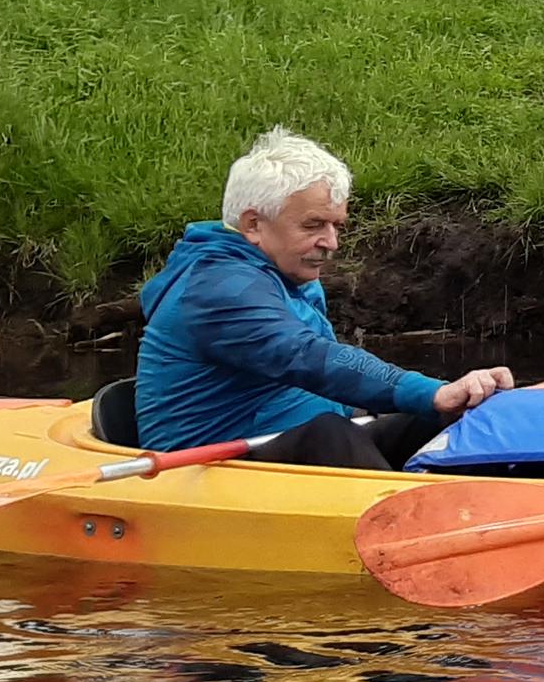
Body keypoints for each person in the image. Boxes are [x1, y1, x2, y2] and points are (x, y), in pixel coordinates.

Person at [136, 128, 514, 464]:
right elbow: (306, 356)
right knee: (331, 434)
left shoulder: (285, 268)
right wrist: (430, 392)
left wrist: (442, 402)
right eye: (313, 225)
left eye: (336, 226)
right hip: (211, 469)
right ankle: (406, 528)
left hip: (285, 449)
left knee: (446, 417)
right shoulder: (219, 288)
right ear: (253, 224)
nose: (331, 243)